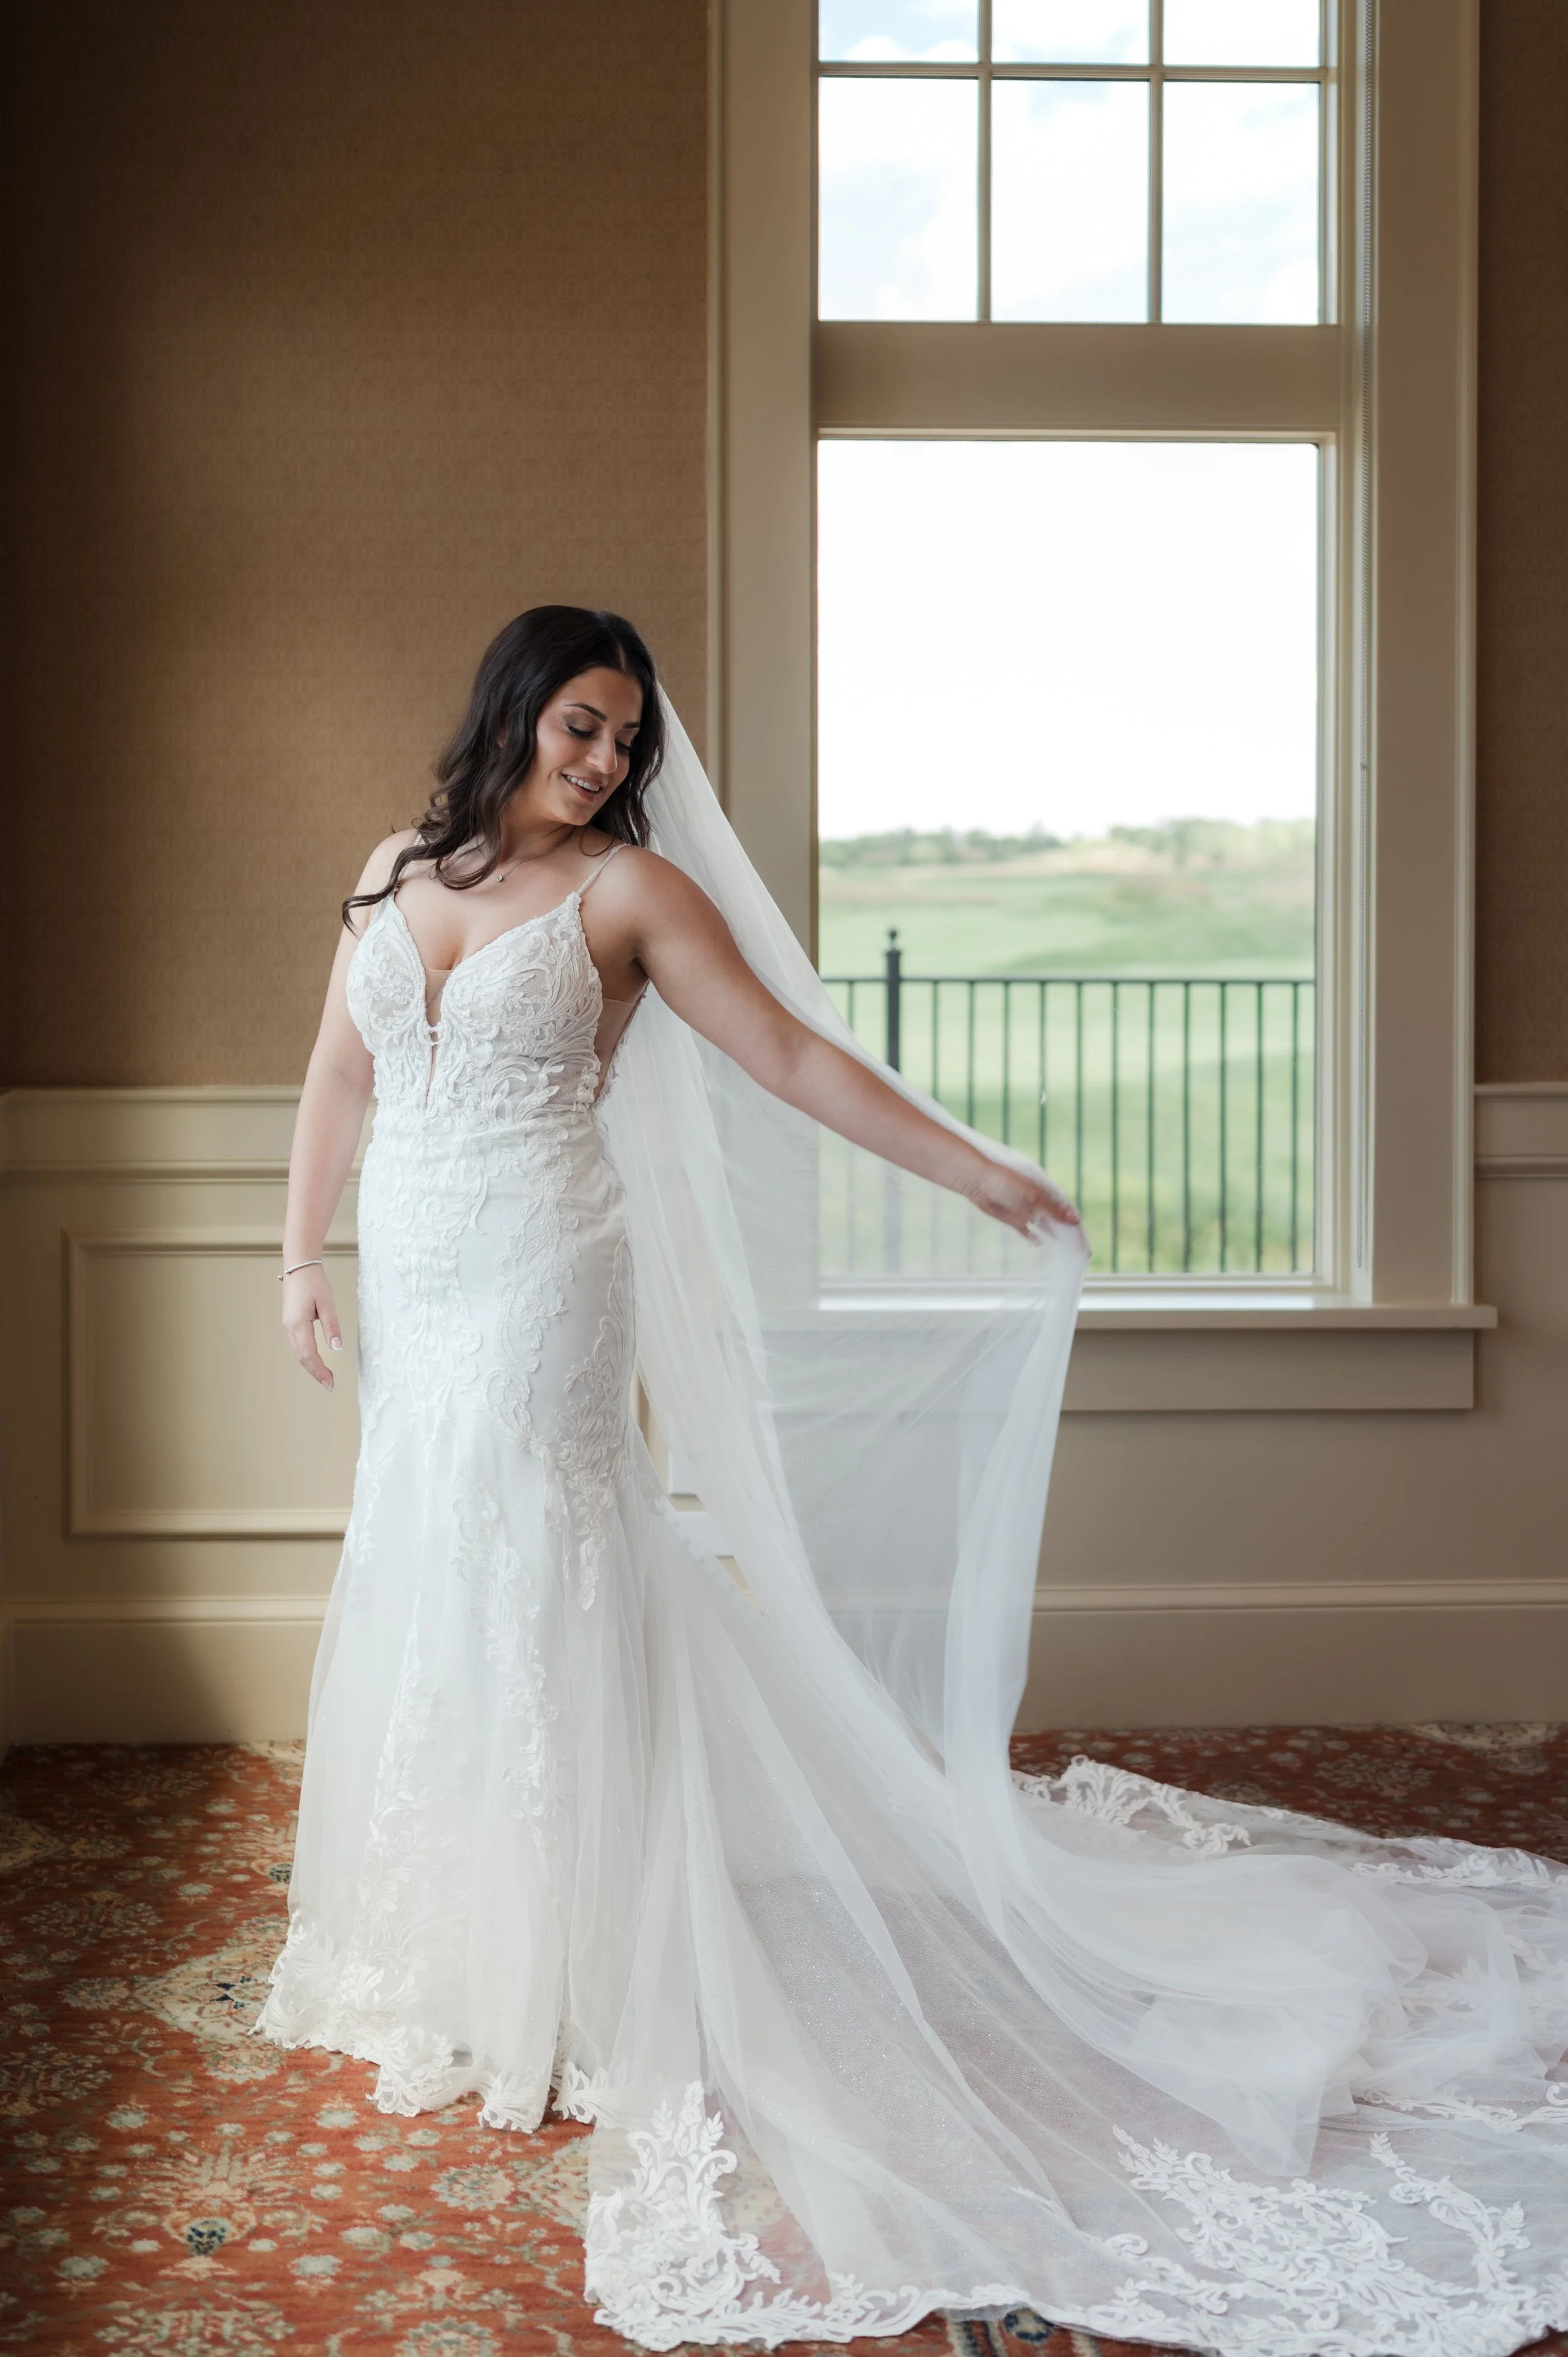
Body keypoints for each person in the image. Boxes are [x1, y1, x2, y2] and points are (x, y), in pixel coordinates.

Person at [257, 606, 1567, 2355]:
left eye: (623, 743)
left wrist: (972, 1171)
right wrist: (297, 1257)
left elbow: (792, 1056)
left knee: (537, 1568)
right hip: (413, 1270)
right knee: (432, 1561)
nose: (600, 763)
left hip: (542, 1278)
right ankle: (459, 1934)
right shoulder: (391, 866)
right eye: (579, 724)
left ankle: (573, 1964)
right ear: (510, 704)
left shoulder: (631, 896)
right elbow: (341, 1066)